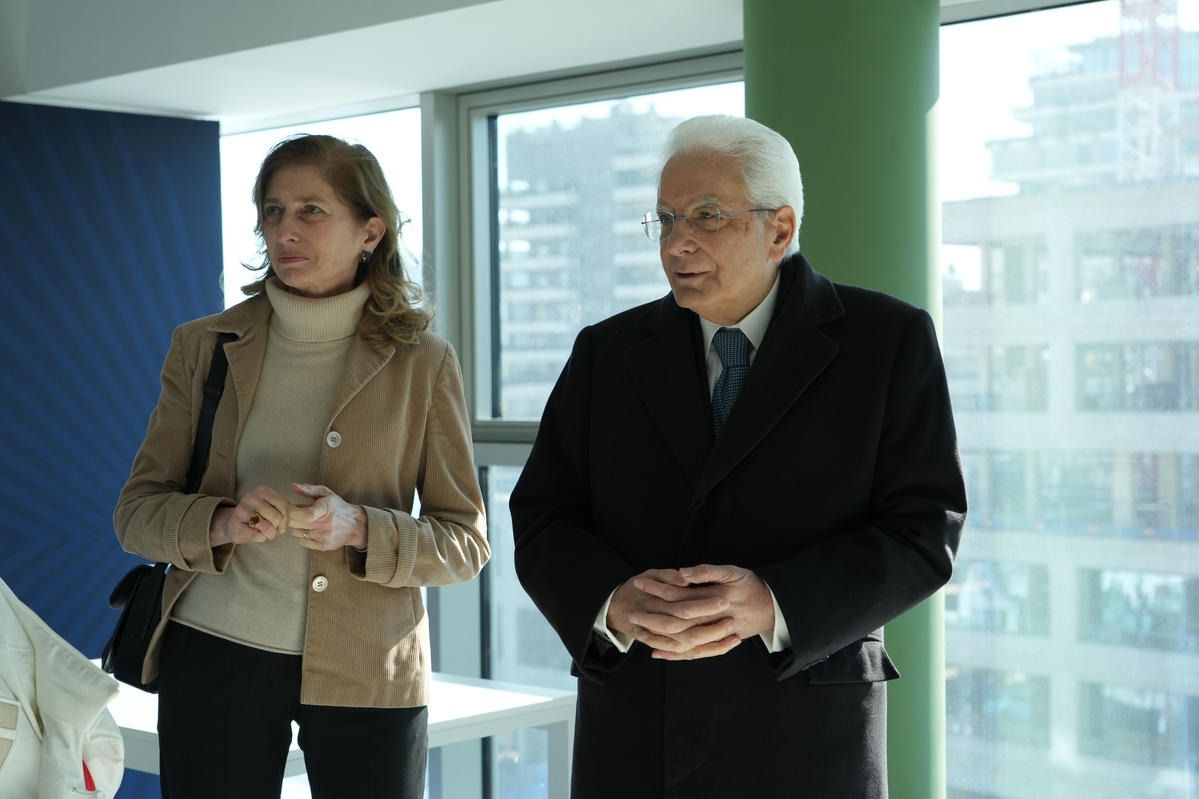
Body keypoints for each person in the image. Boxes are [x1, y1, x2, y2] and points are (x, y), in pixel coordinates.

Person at [509, 115, 966, 798]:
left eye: (706, 216)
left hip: (806, 733)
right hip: (637, 729)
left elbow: (924, 530)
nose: (677, 242)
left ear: (779, 229)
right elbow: (543, 515)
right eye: (665, 220)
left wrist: (774, 602)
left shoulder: (888, 341)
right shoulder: (606, 352)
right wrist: (613, 602)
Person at [114, 134, 489, 799]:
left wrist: (359, 527)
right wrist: (221, 522)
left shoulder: (424, 362)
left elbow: (464, 543)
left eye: (312, 210)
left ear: (370, 230)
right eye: (273, 210)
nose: (285, 229)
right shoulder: (203, 346)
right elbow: (136, 514)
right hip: (213, 652)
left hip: (370, 667)